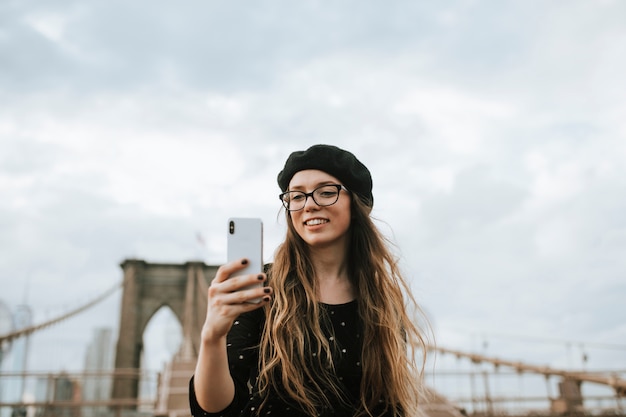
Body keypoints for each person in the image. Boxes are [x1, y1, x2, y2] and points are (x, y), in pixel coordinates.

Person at [190, 144, 429, 417]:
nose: (309, 204)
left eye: (326, 192)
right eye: (296, 196)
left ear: (357, 204)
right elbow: (215, 409)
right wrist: (212, 336)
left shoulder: (382, 298)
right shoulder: (261, 286)